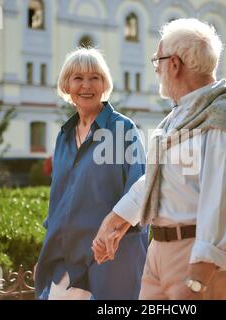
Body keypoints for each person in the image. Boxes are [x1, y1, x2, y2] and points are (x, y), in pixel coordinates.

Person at [92, 18, 226, 300]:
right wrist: (116, 220)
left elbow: (221, 199)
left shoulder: (222, 115)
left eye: (158, 59)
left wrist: (200, 274)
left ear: (175, 64)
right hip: (160, 249)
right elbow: (159, 178)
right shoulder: (180, 116)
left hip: (197, 255)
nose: (156, 68)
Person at [34, 48, 148, 300]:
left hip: (112, 259)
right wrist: (48, 252)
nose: (86, 85)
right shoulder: (64, 136)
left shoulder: (122, 129)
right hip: (66, 259)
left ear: (104, 83)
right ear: (66, 85)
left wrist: (113, 233)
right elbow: (59, 201)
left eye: (95, 77)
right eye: (78, 78)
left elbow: (140, 192)